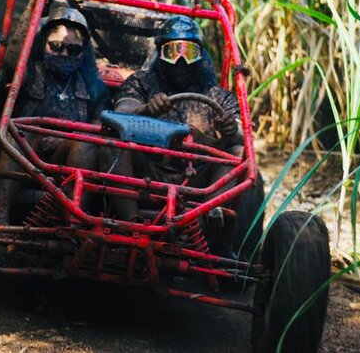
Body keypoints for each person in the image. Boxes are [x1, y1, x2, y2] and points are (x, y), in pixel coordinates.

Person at [111, 15, 263, 258]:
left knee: (238, 157)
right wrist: (146, 109)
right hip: (146, 170)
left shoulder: (218, 96)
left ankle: (211, 224)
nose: (181, 61)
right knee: (113, 144)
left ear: (200, 55)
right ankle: (131, 224)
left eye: (189, 51)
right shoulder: (143, 83)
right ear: (159, 53)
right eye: (172, 51)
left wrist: (230, 131)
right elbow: (121, 111)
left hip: (198, 181)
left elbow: (242, 139)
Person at [0, 0, 110, 224]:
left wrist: (68, 138)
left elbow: (100, 125)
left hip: (65, 159)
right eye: (56, 46)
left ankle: (71, 224)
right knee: (19, 135)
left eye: (73, 50)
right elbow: (12, 62)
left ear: (83, 53)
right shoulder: (29, 73)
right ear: (43, 43)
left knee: (87, 145)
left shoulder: (91, 87)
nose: (64, 53)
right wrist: (31, 5)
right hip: (23, 151)